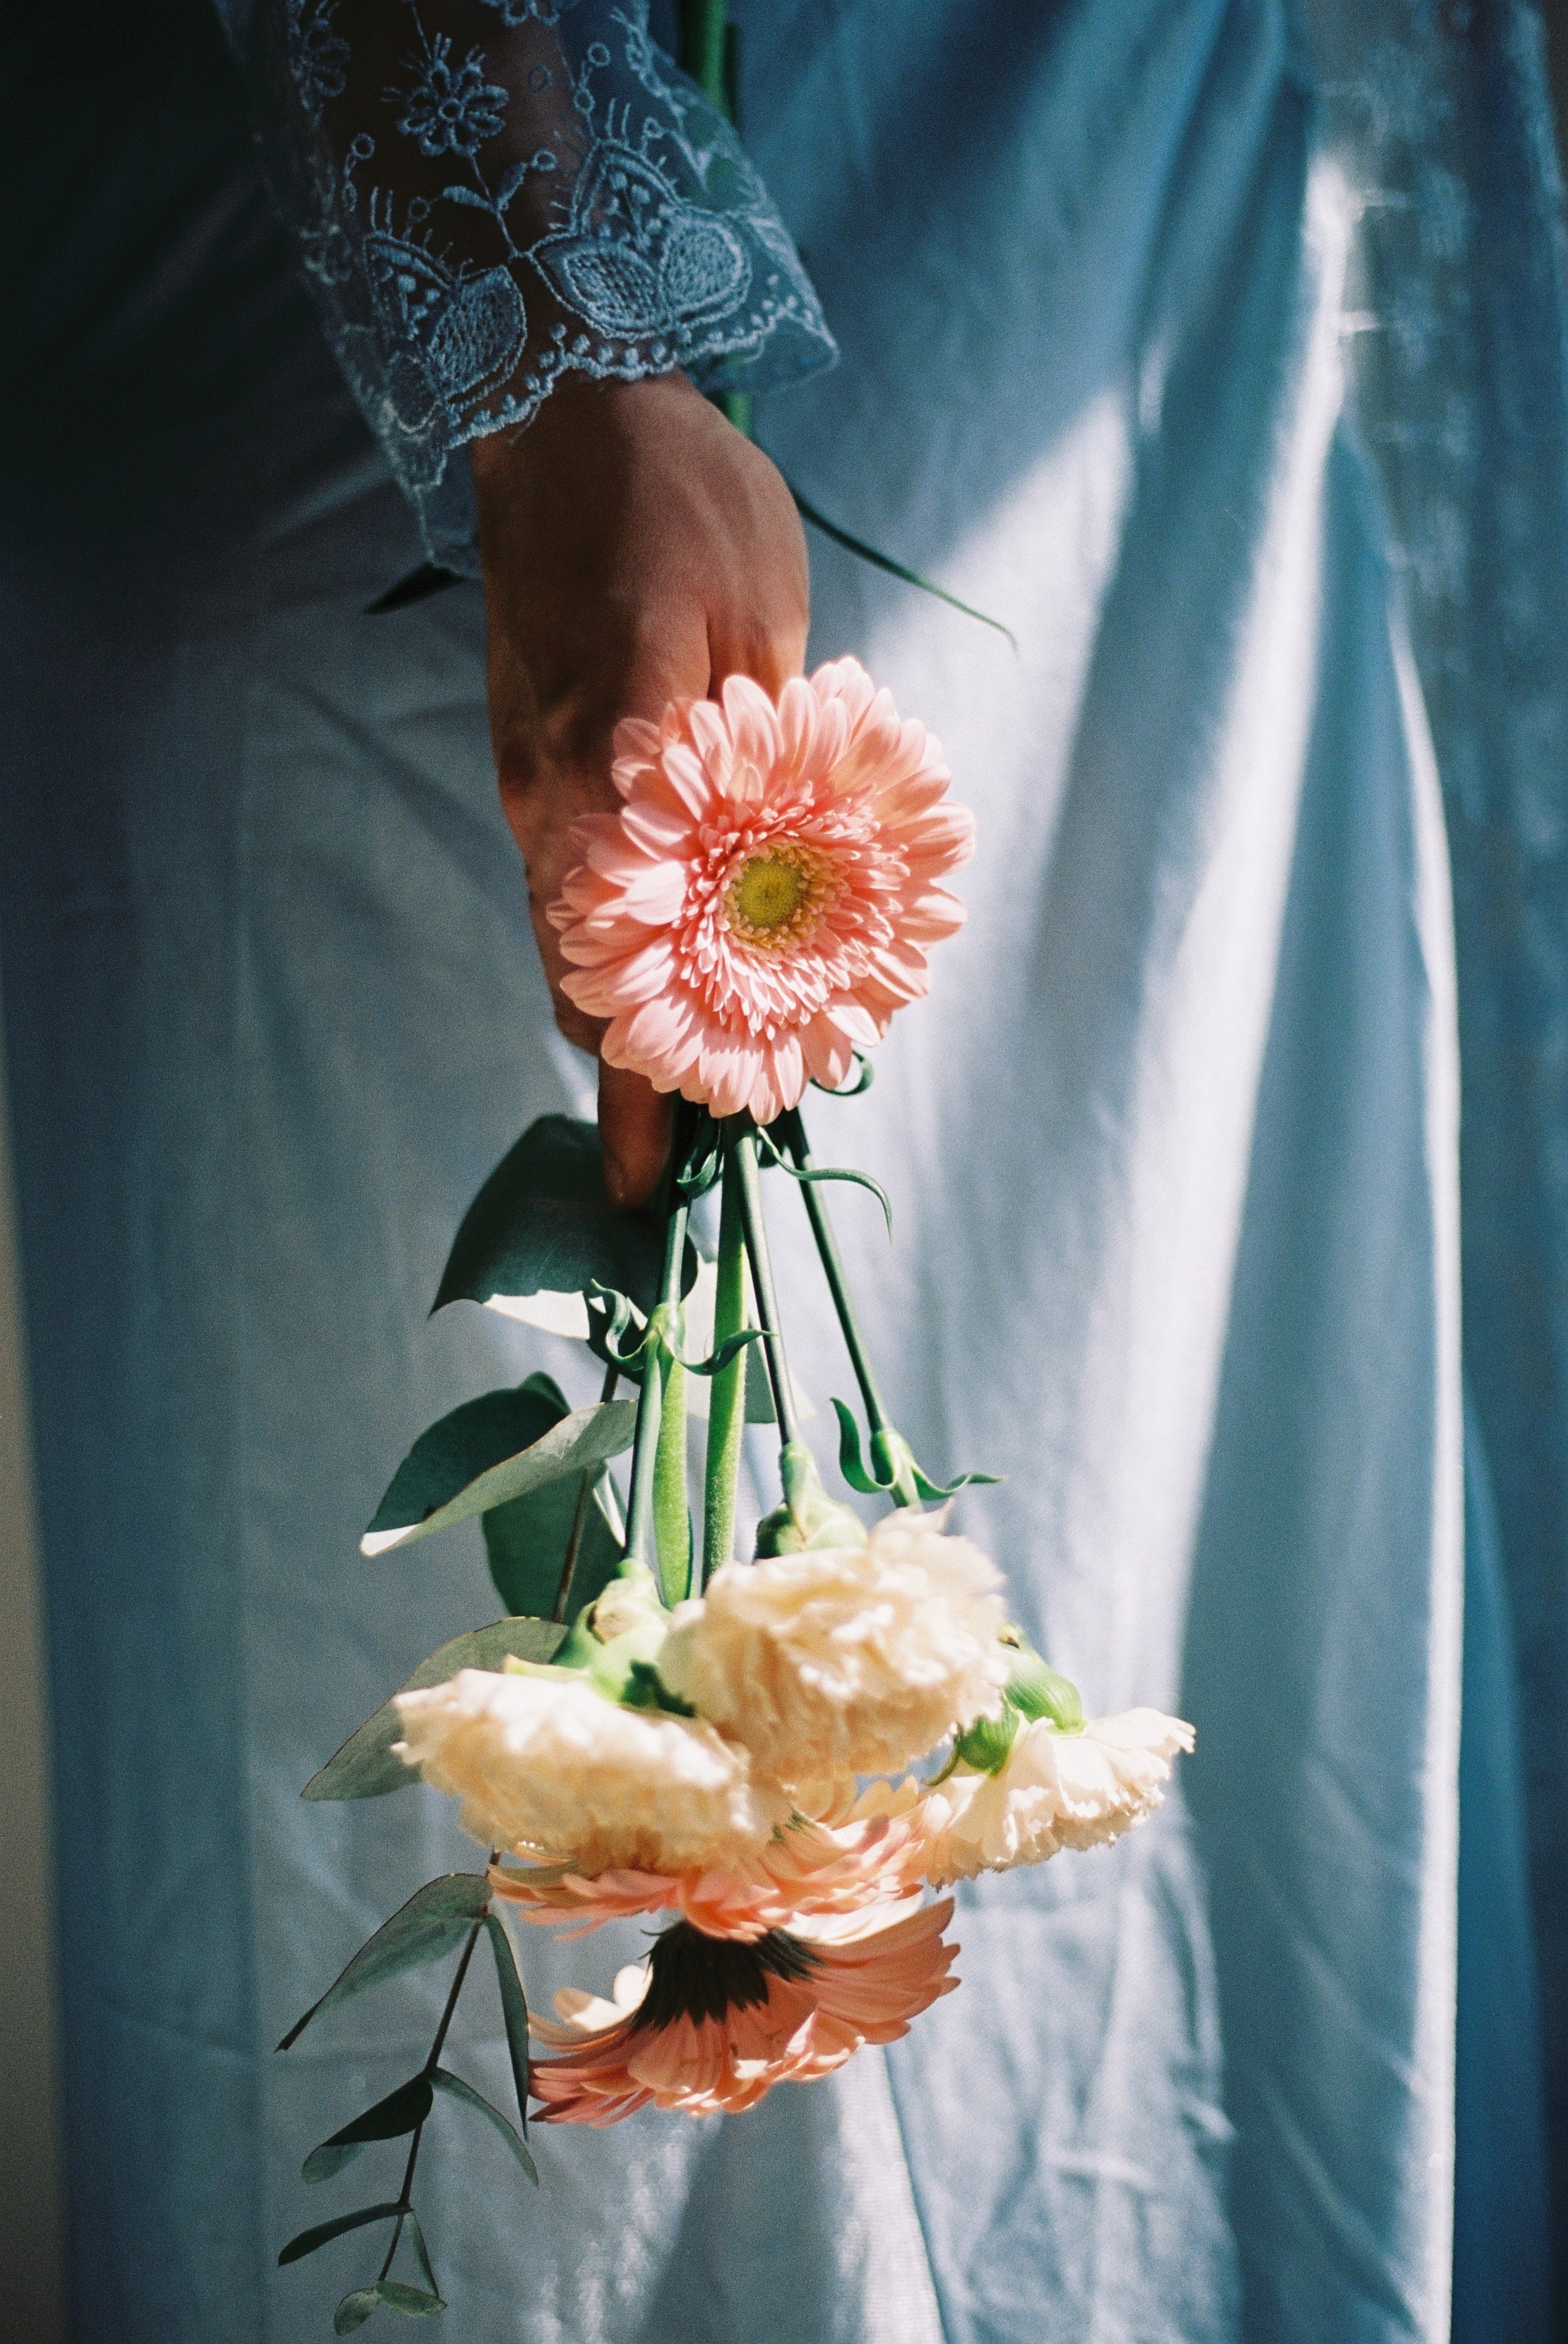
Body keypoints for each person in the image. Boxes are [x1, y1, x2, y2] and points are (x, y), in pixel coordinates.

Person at [0, 2, 1556, 2339]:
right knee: (426, 1909)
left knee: (1149, 1494)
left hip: (1132, 240)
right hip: (462, 278)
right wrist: (553, 336)